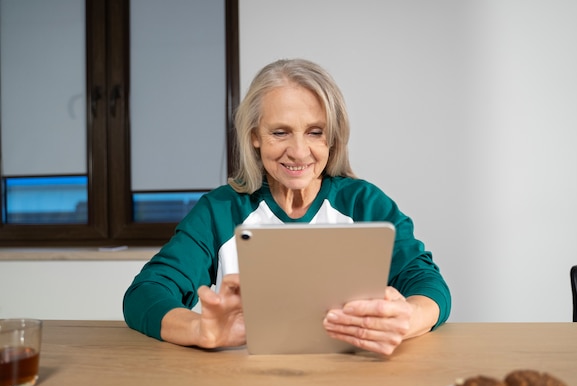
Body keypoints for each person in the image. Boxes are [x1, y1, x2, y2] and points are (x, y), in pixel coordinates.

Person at [123, 58, 451, 356]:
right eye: (280, 132)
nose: (298, 151)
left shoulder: (364, 203)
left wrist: (406, 319)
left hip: (352, 381)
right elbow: (145, 293)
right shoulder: (220, 210)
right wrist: (200, 329)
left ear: (332, 138)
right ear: (254, 136)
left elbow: (428, 284)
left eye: (314, 132)